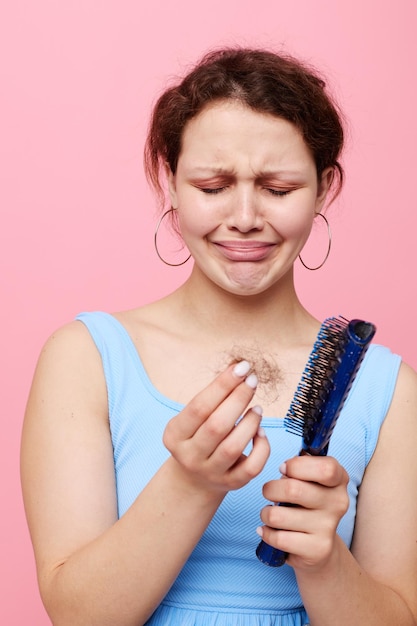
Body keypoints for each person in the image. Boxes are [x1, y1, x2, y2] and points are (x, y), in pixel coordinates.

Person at [21, 47, 417, 626]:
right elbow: (79, 616)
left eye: (279, 189)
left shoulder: (389, 391)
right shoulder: (85, 359)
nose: (246, 217)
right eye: (213, 186)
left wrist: (325, 561)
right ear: (172, 182)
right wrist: (190, 485)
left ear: (324, 188)